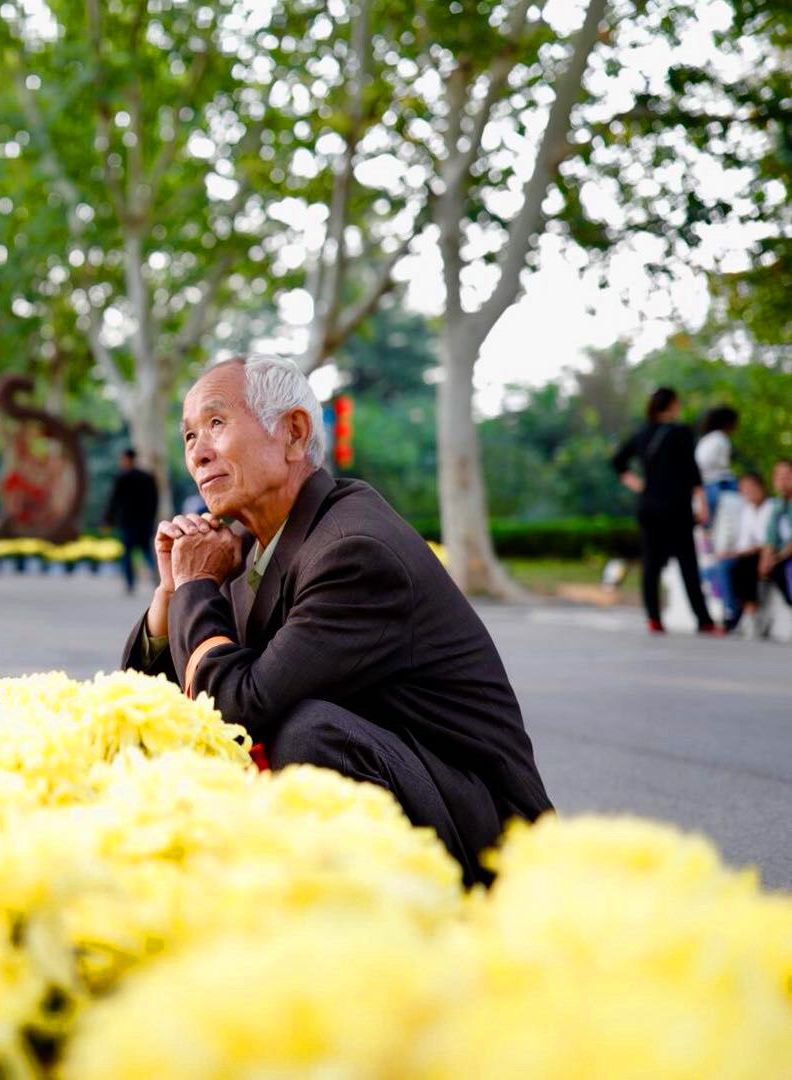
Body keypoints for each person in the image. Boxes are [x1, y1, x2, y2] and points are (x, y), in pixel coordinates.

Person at [120, 357, 551, 884]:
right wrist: (173, 591)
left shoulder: (354, 551)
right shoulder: (250, 544)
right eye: (188, 436)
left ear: (294, 433)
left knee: (308, 735)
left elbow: (232, 709)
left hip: (486, 833)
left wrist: (197, 586)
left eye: (216, 424)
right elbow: (155, 706)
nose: (198, 452)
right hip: (416, 788)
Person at [611, 388, 720, 636]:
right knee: (687, 563)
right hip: (677, 507)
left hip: (649, 506)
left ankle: (654, 619)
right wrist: (701, 503)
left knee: (651, 564)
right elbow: (692, 471)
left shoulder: (641, 433)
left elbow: (618, 461)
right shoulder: (680, 432)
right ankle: (703, 621)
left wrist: (638, 484)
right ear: (671, 405)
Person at [717, 473, 774, 634]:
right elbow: (744, 542)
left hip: (768, 553)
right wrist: (731, 553)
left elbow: (767, 541)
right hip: (751, 553)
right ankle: (737, 611)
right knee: (730, 565)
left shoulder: (772, 507)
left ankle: (749, 612)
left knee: (746, 563)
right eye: (744, 490)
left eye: (751, 488)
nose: (748, 493)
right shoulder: (748, 511)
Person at [103, 448, 161, 595]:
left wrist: (107, 520)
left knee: (128, 554)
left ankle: (130, 584)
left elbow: (114, 501)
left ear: (126, 459)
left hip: (128, 523)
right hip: (144, 523)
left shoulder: (123, 478)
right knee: (147, 552)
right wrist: (152, 519)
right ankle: (159, 579)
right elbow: (155, 501)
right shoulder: (147, 477)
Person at [695, 405, 740, 520]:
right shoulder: (720, 438)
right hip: (716, 484)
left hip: (708, 483)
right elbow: (705, 463)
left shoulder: (707, 439)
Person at [762, 459, 792, 609]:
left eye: (787, 475)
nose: (782, 480)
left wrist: (777, 557)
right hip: (783, 555)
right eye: (779, 476)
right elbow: (770, 537)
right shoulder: (777, 506)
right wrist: (766, 560)